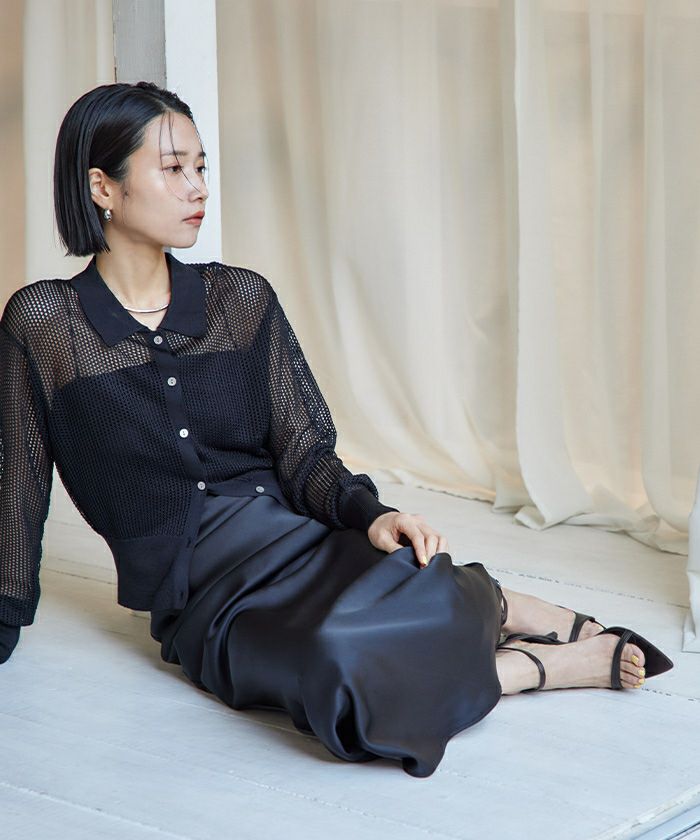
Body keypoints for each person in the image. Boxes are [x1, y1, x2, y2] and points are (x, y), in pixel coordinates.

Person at [0, 81, 673, 777]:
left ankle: (496, 602)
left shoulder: (239, 299)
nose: (197, 187)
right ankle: (535, 668)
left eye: (201, 167)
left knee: (402, 593)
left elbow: (302, 452)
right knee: (339, 671)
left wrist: (372, 515)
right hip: (204, 598)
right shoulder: (46, 324)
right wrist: (4, 618)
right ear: (102, 188)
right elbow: (17, 488)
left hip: (302, 542)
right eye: (173, 169)